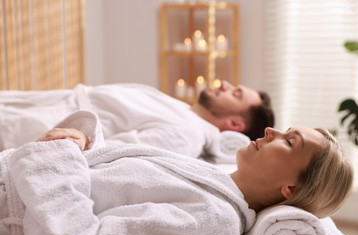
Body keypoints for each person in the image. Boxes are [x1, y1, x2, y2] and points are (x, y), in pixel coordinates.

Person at [0, 111, 352, 235]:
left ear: (289, 189)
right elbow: (115, 173)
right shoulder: (212, 178)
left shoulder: (213, 223)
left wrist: (54, 160)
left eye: (290, 142)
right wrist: (81, 140)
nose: (272, 131)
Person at [0, 81, 274, 162]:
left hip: (45, 124)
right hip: (45, 105)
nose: (225, 84)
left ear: (236, 124)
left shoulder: (187, 135)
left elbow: (114, 154)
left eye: (236, 93)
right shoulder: (186, 113)